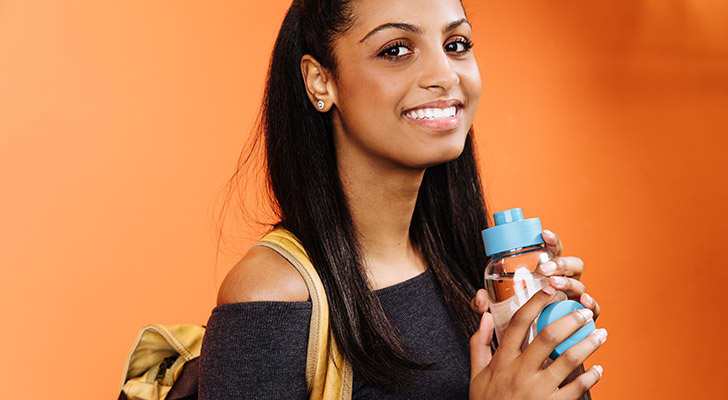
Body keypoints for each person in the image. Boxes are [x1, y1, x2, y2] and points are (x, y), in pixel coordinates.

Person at [198, 0, 606, 399]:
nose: (445, 74)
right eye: (396, 50)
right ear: (321, 81)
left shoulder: (472, 271)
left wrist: (547, 347)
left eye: (456, 45)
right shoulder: (272, 294)